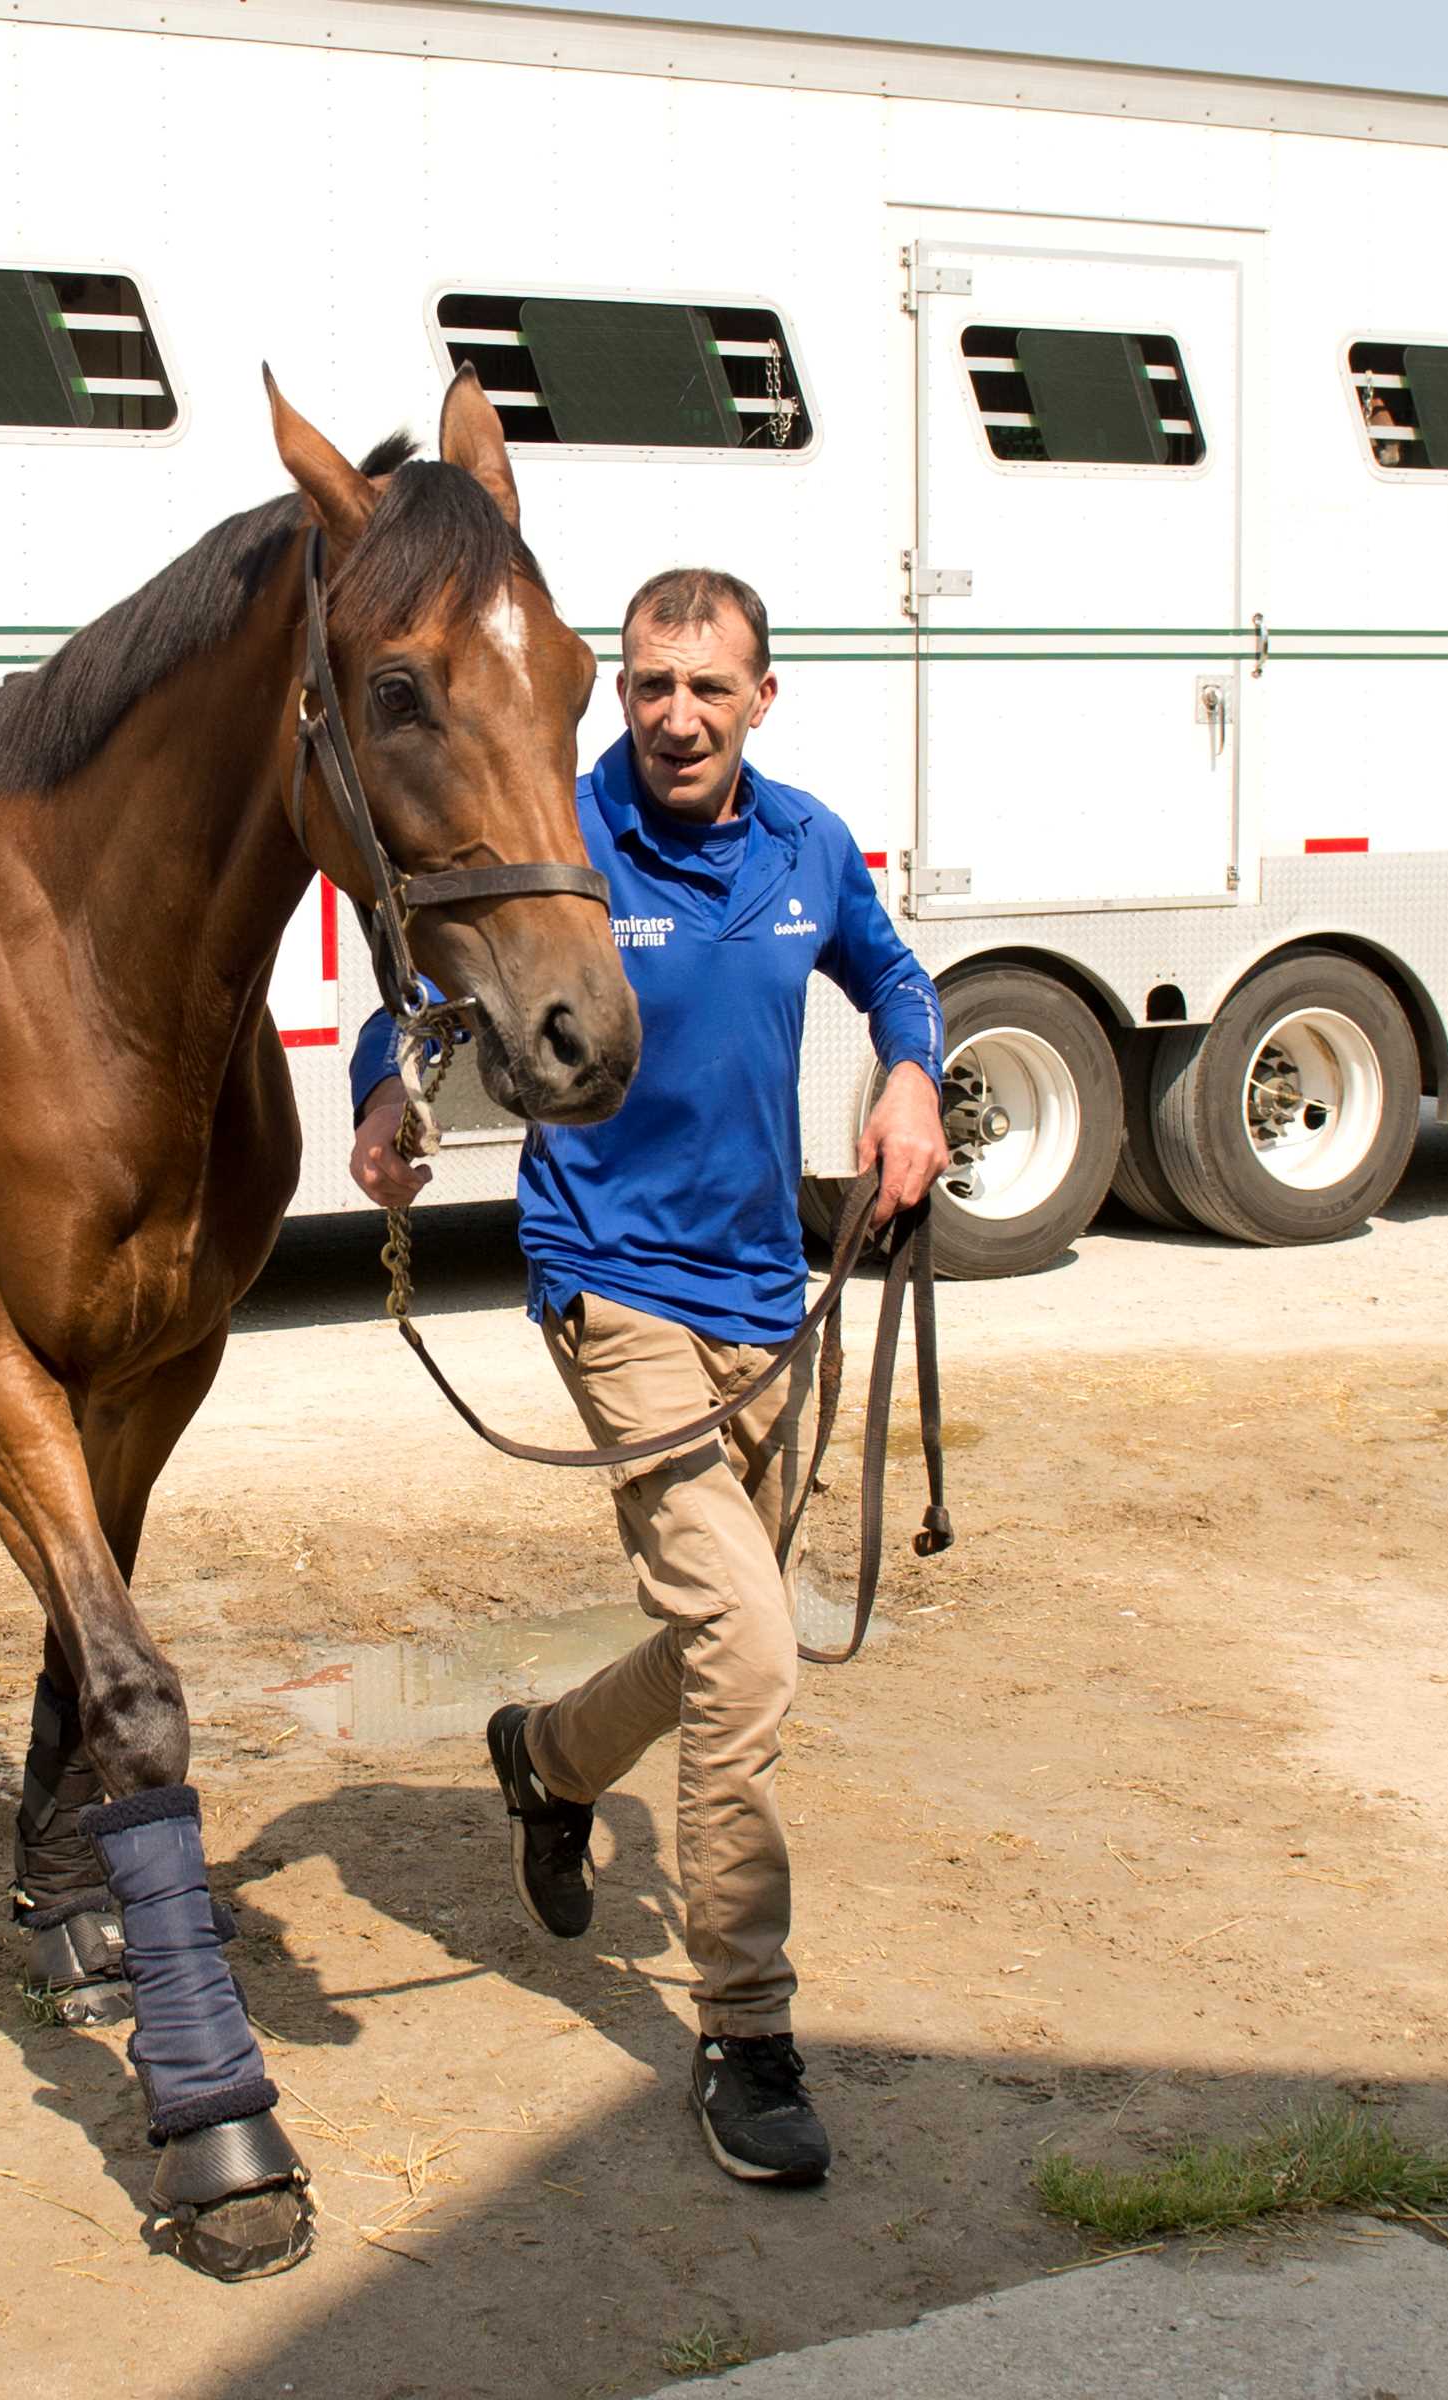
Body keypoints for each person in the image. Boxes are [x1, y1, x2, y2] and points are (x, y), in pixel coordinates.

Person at [346, 566, 946, 2190]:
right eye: (651, 683)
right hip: (613, 1289)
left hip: (773, 1294)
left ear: (760, 698)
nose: (676, 713)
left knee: (709, 1631)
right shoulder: (572, 829)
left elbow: (897, 976)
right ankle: (746, 2032)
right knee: (754, 1649)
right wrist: (386, 1098)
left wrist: (911, 1074)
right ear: (620, 693)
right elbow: (419, 976)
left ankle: (545, 1762)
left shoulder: (809, 846)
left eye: (709, 686)